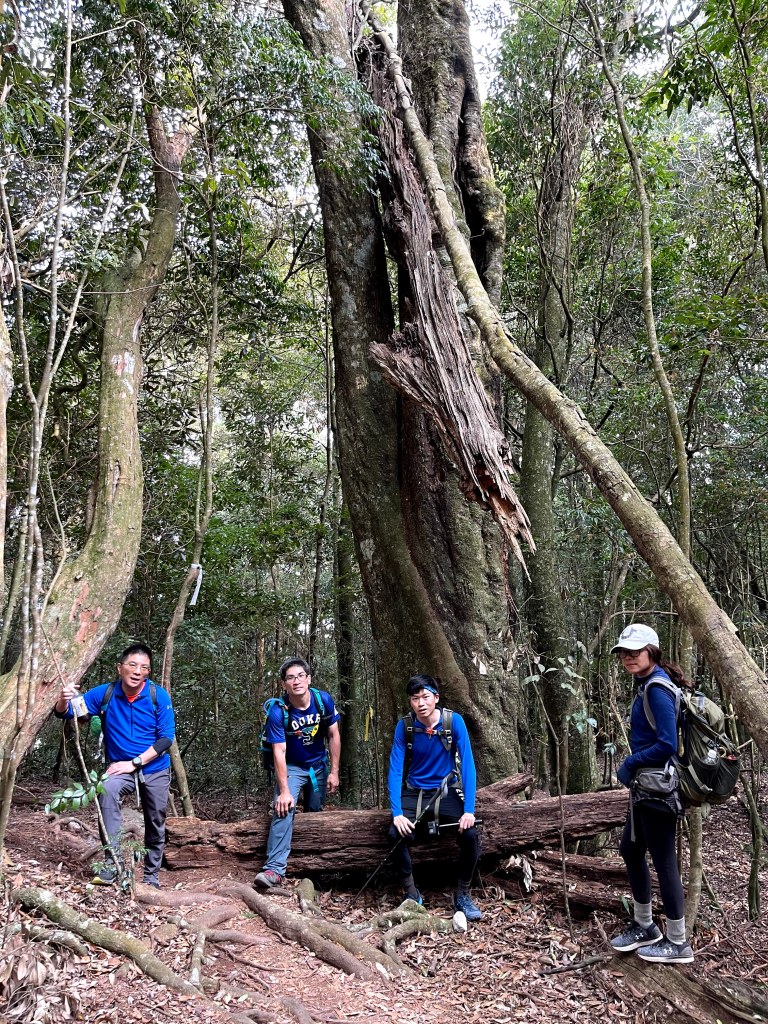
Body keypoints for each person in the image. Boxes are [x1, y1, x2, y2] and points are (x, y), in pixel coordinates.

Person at [54, 642, 175, 888]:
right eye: (132, 665)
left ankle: (151, 876)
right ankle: (113, 865)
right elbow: (68, 713)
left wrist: (135, 762)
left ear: (148, 672)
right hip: (119, 767)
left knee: (155, 819)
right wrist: (63, 700)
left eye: (144, 667)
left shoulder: (158, 696)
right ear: (120, 667)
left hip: (153, 767)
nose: (138, 671)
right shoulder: (105, 693)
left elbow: (166, 739)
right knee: (107, 791)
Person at [610, 622, 694, 964]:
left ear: (652, 652)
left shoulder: (657, 688)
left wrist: (631, 763)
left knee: (664, 861)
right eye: (624, 653)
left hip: (658, 788)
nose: (629, 657)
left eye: (635, 651)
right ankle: (645, 926)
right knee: (630, 849)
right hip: (646, 787)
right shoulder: (647, 684)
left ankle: (678, 942)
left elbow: (667, 744)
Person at [387, 674, 482, 921]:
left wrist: (469, 810)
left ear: (436, 698)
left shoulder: (453, 722)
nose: (420, 703)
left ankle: (463, 894)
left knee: (470, 835)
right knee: (395, 834)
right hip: (414, 791)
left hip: (446, 790)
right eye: (415, 698)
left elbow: (468, 765)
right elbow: (396, 768)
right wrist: (397, 813)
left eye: (425, 697)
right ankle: (412, 895)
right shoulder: (405, 727)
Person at [254, 656, 341, 889]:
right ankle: (274, 869)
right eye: (291, 678)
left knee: (315, 812)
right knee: (284, 807)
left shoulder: (323, 701)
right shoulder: (278, 712)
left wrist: (334, 771)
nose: (296, 681)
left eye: (301, 676)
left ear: (309, 679)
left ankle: (315, 868)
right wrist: (284, 791)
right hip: (292, 766)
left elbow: (333, 734)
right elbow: (279, 751)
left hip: (318, 765)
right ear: (284, 684)